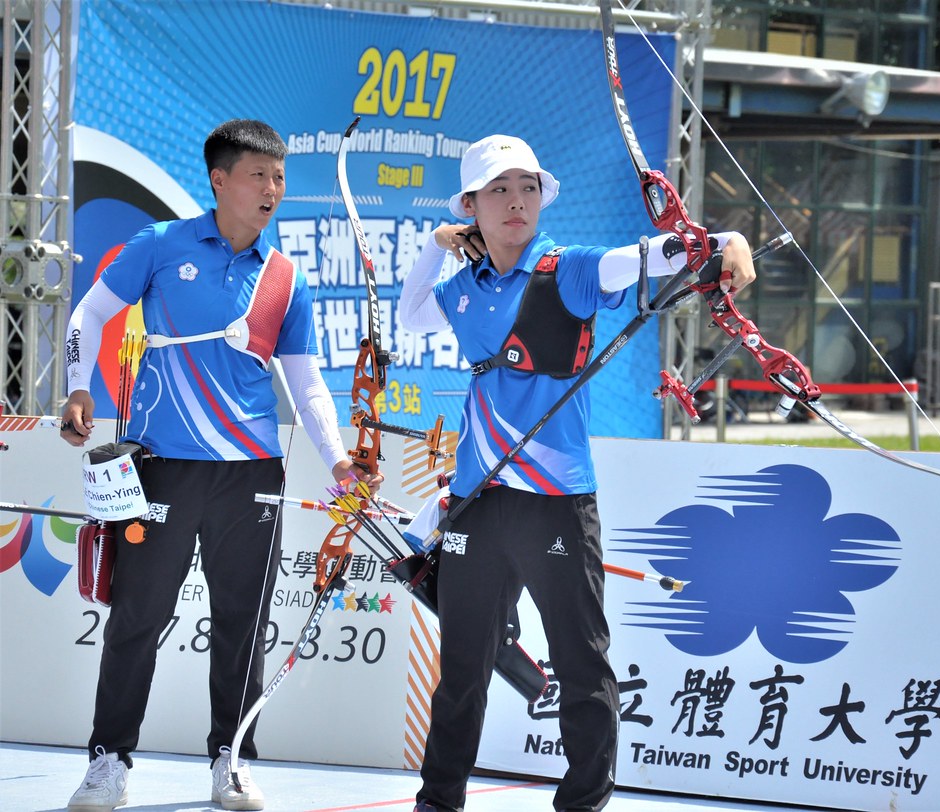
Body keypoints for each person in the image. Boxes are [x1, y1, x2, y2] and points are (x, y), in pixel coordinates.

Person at [398, 134, 755, 812]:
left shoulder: (569, 269)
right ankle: (437, 802)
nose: (516, 202)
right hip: (478, 502)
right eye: (499, 190)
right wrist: (437, 243)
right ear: (472, 205)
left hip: (557, 505)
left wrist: (724, 238)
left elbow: (652, 255)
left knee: (583, 665)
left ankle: (584, 803)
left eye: (527, 187)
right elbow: (411, 314)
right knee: (461, 672)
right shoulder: (467, 287)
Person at [60, 119, 380, 812]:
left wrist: (338, 459)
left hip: (253, 476)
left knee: (243, 621)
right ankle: (108, 761)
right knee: (137, 619)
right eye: (260, 175)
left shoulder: (284, 278)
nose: (273, 190)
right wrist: (79, 386)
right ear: (220, 180)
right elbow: (89, 315)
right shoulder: (160, 245)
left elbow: (306, 381)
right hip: (163, 470)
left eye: (280, 178)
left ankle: (229, 761)